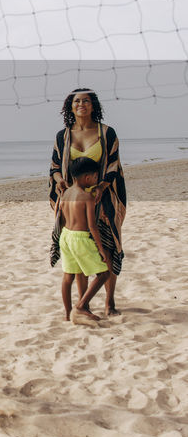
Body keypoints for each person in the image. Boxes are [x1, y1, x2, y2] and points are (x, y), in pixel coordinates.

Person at [49, 88, 126, 315]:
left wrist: (102, 186)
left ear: (93, 105)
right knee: (79, 253)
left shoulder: (106, 133)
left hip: (105, 197)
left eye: (86, 100)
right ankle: (85, 304)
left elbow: (114, 164)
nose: (81, 104)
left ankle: (109, 303)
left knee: (109, 249)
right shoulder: (62, 136)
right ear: (70, 106)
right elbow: (54, 166)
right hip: (74, 200)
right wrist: (60, 180)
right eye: (77, 101)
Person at [56, 156, 113, 326]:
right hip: (80, 238)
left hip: (65, 236)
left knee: (68, 277)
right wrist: (101, 249)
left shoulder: (65, 193)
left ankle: (67, 314)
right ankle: (80, 307)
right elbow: (92, 226)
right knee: (104, 273)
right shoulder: (86, 197)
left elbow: (60, 216)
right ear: (88, 177)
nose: (96, 181)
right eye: (96, 177)